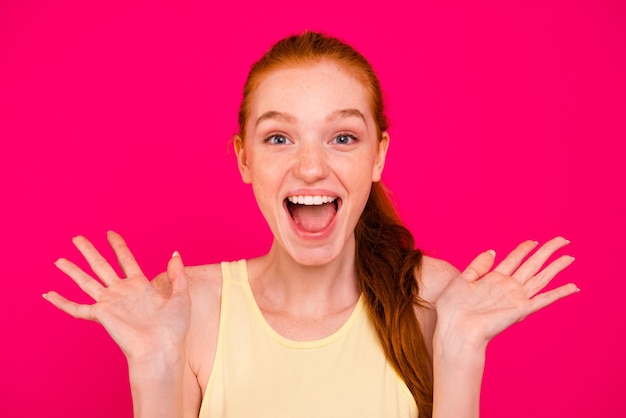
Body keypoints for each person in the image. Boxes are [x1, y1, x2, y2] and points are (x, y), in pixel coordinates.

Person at [43, 32, 578, 418]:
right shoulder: (187, 307)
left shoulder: (436, 300)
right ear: (244, 159)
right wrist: (155, 367)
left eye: (342, 137)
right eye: (279, 138)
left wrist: (461, 350)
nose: (311, 167)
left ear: (378, 157)